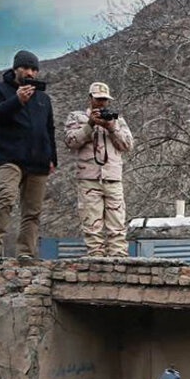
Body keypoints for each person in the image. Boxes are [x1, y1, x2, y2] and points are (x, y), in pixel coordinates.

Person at [0, 50, 56, 259]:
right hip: (9, 157)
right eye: (26, 68)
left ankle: (26, 252)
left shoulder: (43, 98)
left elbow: (49, 129)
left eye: (34, 69)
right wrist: (17, 100)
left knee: (33, 211)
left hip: (39, 160)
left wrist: (52, 158)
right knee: (5, 196)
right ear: (16, 68)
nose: (30, 73)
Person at [62, 81, 133, 257]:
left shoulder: (117, 120)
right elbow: (71, 141)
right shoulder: (77, 118)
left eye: (104, 100)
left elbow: (127, 145)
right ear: (90, 98)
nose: (101, 103)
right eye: (98, 99)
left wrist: (112, 128)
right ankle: (95, 257)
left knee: (117, 222)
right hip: (89, 178)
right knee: (91, 222)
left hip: (112, 178)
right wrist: (90, 125)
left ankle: (118, 257)